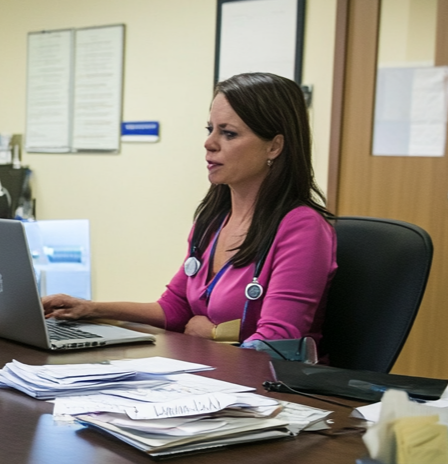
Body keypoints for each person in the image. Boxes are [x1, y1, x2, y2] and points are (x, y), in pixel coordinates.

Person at [43, 72, 336, 345]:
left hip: (269, 390)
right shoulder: (213, 220)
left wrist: (212, 333)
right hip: (209, 376)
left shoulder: (302, 228)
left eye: (229, 133)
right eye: (211, 129)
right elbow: (175, 308)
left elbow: (276, 342)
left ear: (274, 147)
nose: (209, 143)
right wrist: (89, 309)